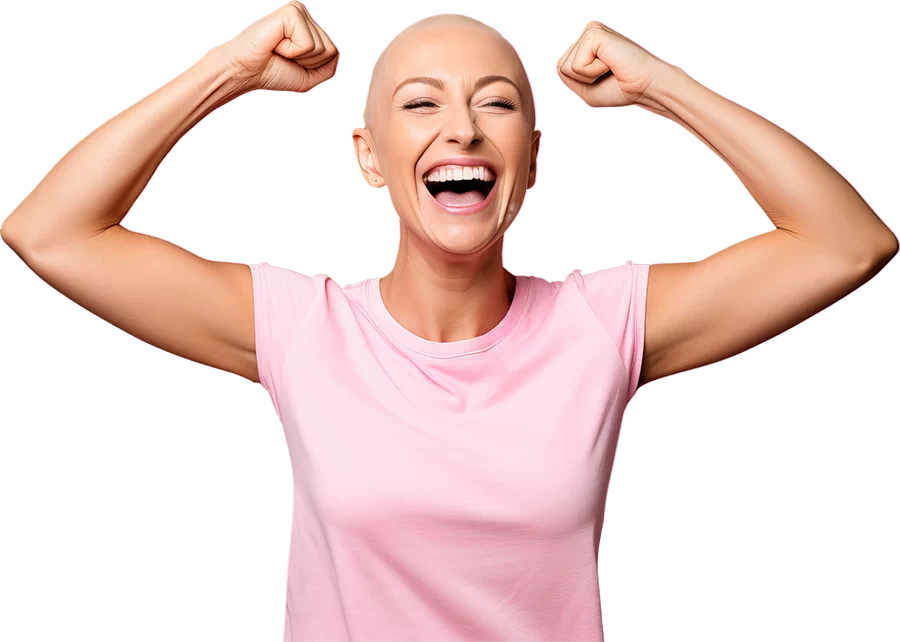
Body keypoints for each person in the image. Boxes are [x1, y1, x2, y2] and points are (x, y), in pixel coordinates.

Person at [1, 3, 896, 641]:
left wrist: (662, 86)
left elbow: (845, 243)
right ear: (370, 159)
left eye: (497, 102)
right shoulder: (299, 330)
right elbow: (49, 230)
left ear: (531, 161)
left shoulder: (604, 326)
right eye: (420, 102)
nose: (461, 128)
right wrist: (228, 71)